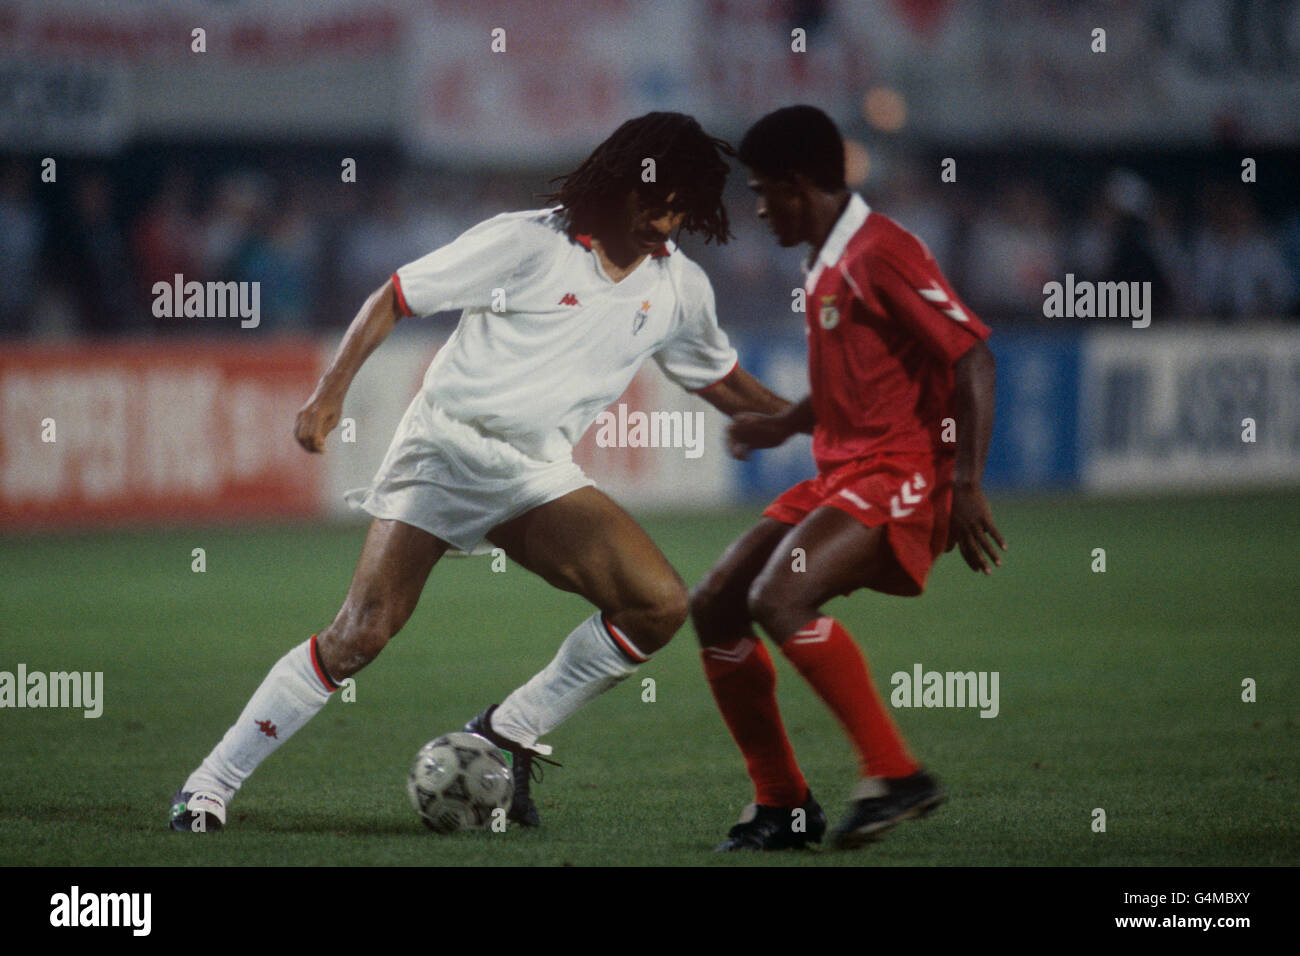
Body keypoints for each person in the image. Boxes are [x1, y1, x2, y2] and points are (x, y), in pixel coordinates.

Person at [169, 113, 789, 832]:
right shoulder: (529, 243)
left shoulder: (678, 287)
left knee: (657, 607)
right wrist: (328, 393)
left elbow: (725, 379)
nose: (666, 219)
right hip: (445, 451)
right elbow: (394, 297)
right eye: (656, 199)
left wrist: (814, 421)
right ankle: (209, 785)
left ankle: (506, 732)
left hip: (533, 473)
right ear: (618, 185)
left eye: (684, 206)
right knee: (359, 636)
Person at [689, 106, 1005, 851]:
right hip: (842, 472)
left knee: (780, 596)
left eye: (765, 192)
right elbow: (853, 384)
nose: (759, 209)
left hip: (898, 473)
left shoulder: (879, 251)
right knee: (715, 604)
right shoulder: (825, 258)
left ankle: (895, 774)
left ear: (801, 185)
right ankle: (782, 804)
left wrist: (963, 482)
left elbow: (973, 357)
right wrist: (782, 425)